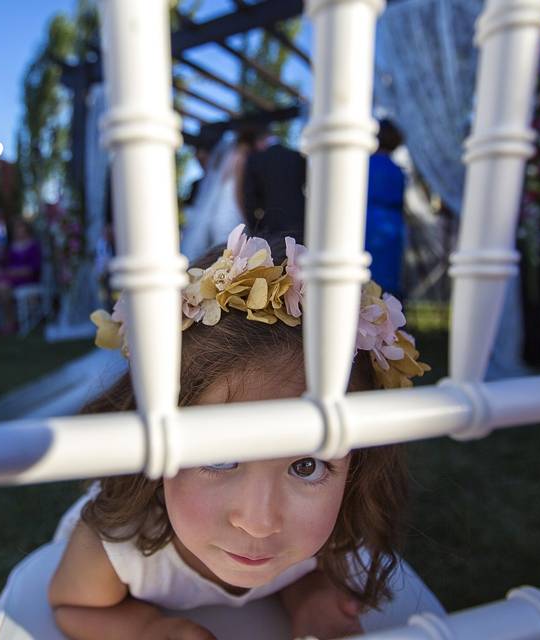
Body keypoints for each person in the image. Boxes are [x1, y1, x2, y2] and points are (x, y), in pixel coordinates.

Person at [46, 224, 440, 640]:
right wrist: (144, 627)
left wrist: (309, 591)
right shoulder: (116, 545)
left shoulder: (329, 526)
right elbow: (69, 604)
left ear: (359, 461)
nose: (259, 521)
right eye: (219, 456)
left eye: (306, 466)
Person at [181, 127, 260, 260]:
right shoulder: (240, 158)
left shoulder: (224, 160)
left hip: (217, 214)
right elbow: (238, 190)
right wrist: (244, 215)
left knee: (220, 254)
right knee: (230, 254)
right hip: (230, 212)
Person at [365, 119, 408, 299]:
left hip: (367, 222)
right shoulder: (397, 170)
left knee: (365, 275)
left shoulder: (364, 165)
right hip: (392, 224)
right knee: (388, 278)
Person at [241, 130, 307, 237]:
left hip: (271, 224)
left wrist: (254, 226)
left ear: (259, 142)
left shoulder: (255, 160)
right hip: (300, 220)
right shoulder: (297, 156)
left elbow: (249, 198)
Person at [0, 217, 42, 335]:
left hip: (26, 278)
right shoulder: (11, 247)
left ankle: (11, 322)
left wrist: (16, 271)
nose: (18, 230)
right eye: (16, 228)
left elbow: (33, 268)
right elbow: (7, 265)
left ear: (26, 229)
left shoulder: (33, 245)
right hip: (11, 277)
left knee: (3, 287)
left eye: (20, 227)